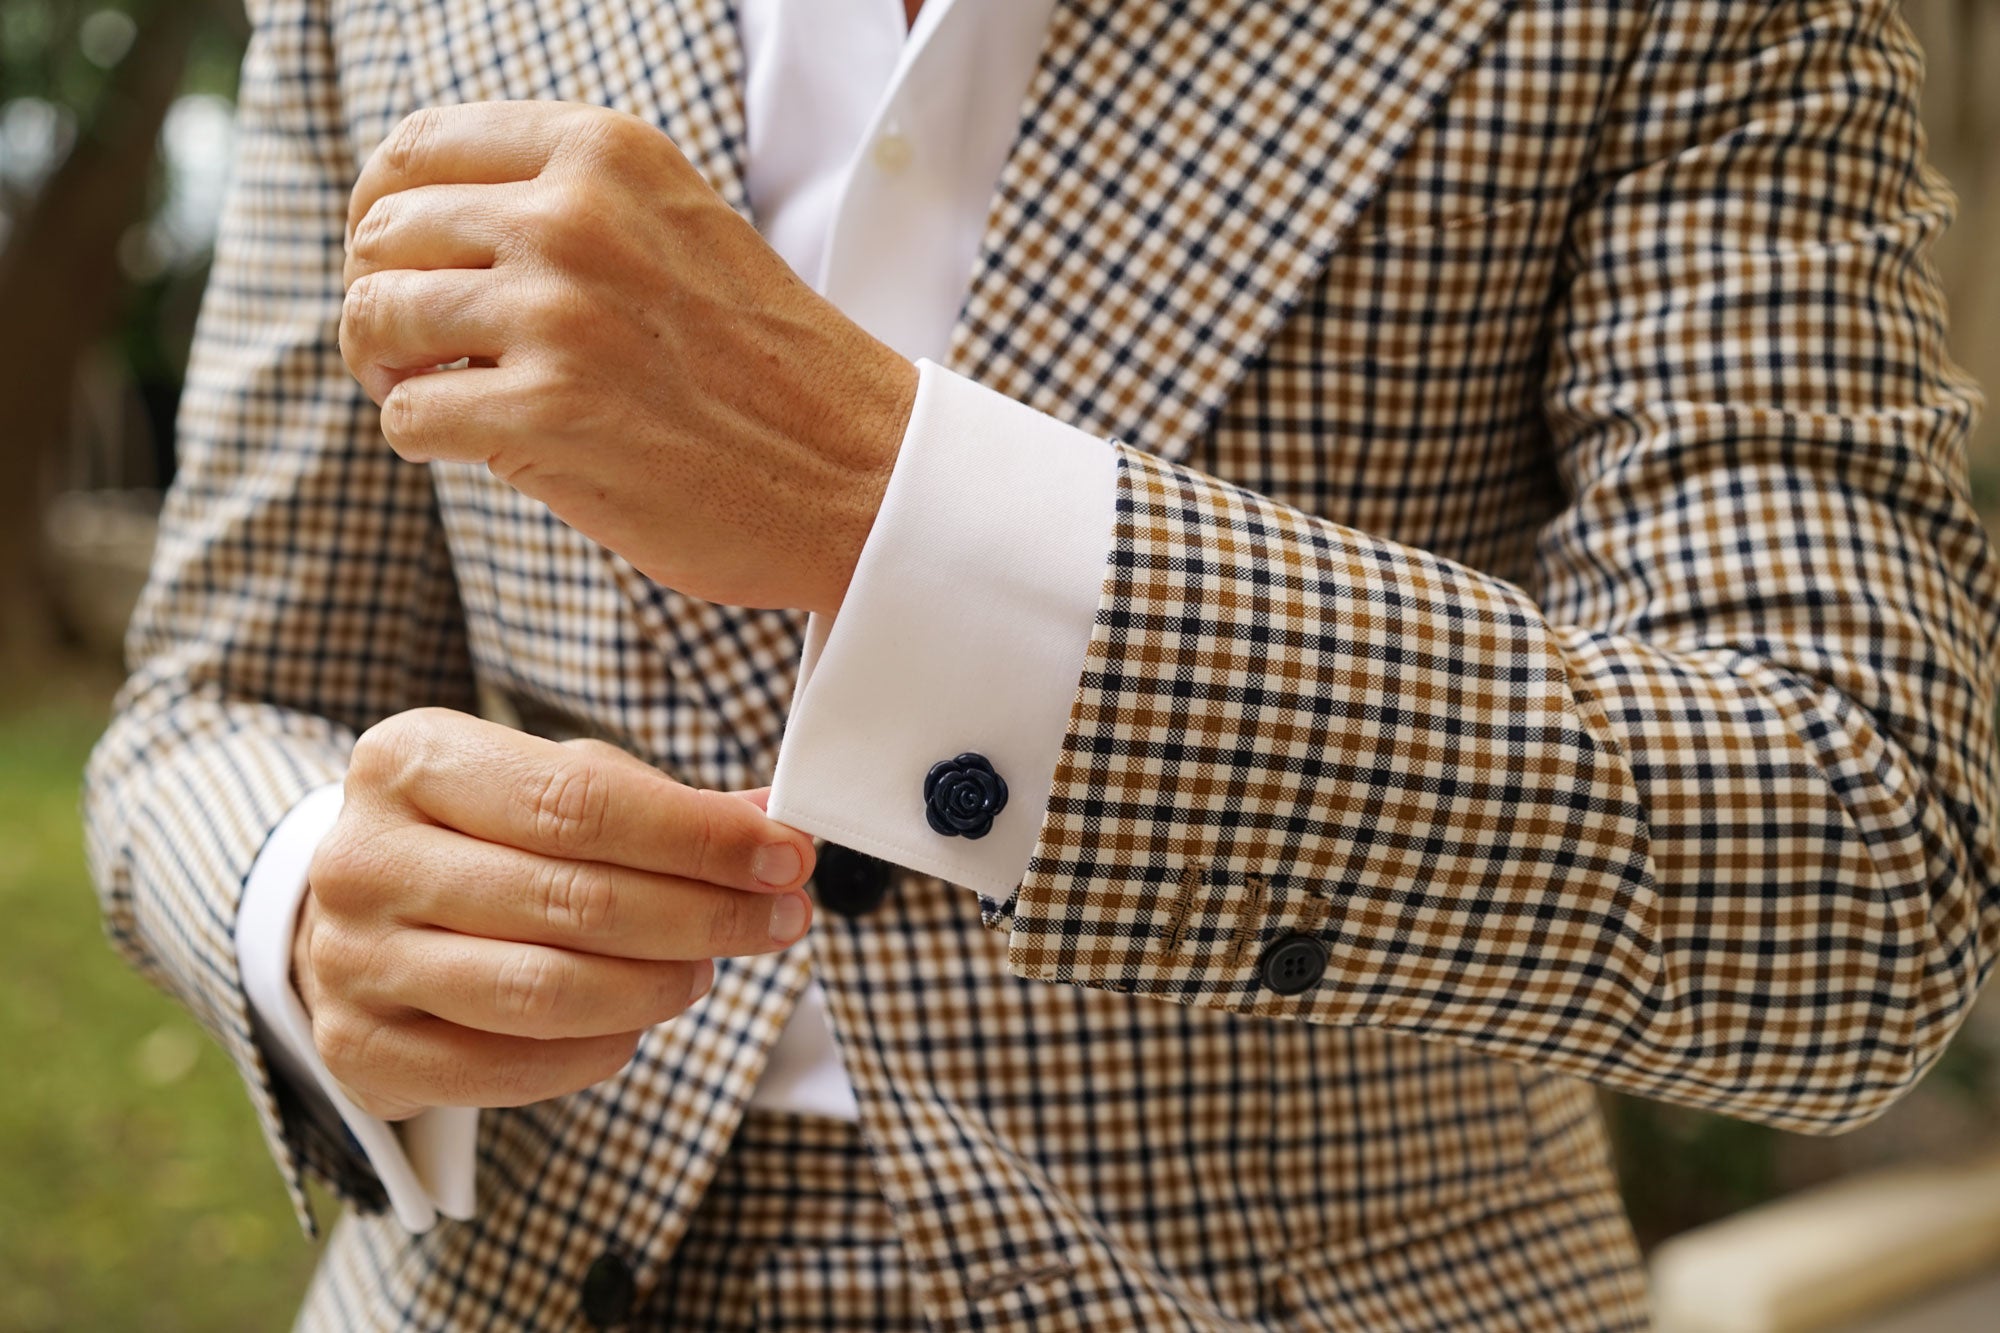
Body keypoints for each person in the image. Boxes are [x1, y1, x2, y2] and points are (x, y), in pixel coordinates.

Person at [85, 0, 2000, 1327]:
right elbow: (203, 703)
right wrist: (302, 892)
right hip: (507, 1268)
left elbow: (1861, 858)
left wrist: (881, 497)